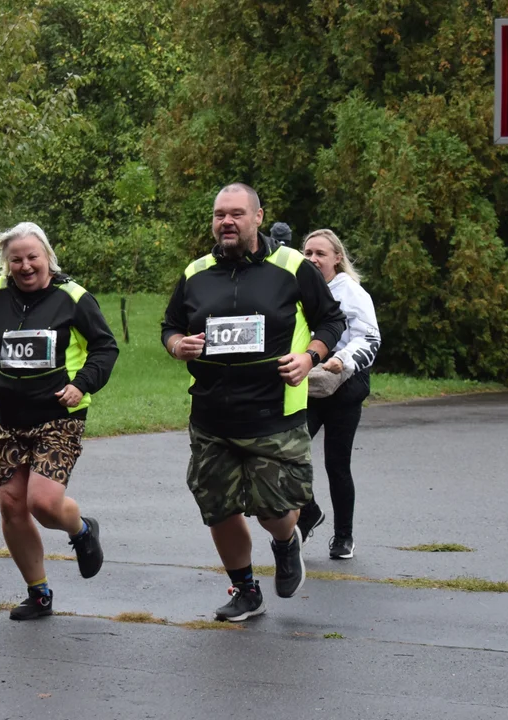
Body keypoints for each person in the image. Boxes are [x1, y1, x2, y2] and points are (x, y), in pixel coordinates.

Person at [160, 183, 346, 622]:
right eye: (219, 214)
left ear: (258, 217)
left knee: (274, 512)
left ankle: (286, 544)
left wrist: (310, 356)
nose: (227, 221)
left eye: (237, 213)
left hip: (273, 415)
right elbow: (169, 325)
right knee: (218, 509)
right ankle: (245, 590)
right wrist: (176, 346)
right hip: (211, 416)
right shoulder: (196, 273)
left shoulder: (292, 266)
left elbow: (331, 319)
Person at [0, 221, 118, 620]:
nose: (26, 266)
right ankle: (39, 593)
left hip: (57, 416)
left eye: (33, 257)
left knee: (43, 504)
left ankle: (82, 529)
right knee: (12, 506)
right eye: (16, 259)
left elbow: (105, 346)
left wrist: (82, 385)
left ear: (47, 256)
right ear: (6, 263)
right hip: (10, 417)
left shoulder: (74, 298)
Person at [296, 229, 380, 560]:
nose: (313, 259)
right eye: (307, 253)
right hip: (309, 385)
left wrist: (341, 360)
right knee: (287, 456)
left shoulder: (351, 292)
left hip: (345, 386)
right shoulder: (297, 289)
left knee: (336, 464)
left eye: (320, 253)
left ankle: (343, 536)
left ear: (337, 258)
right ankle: (309, 511)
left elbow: (370, 338)